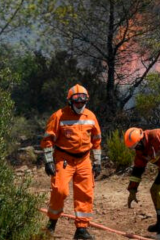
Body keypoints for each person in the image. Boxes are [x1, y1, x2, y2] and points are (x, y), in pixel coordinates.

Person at [41, 84, 102, 240]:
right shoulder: (58, 116)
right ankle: (51, 224)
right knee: (60, 191)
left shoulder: (91, 117)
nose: (80, 105)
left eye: (82, 102)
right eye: (77, 102)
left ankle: (81, 229)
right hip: (64, 159)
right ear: (70, 101)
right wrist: (49, 161)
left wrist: (97, 162)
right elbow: (48, 139)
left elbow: (96, 140)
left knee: (85, 193)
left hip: (84, 160)